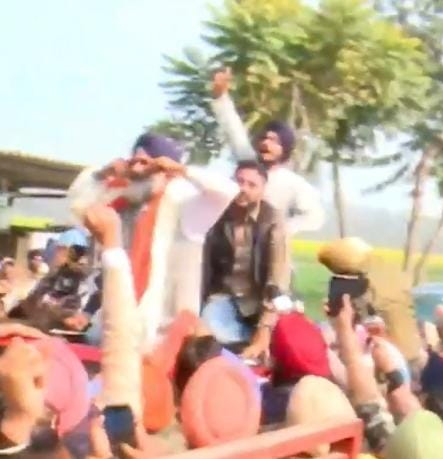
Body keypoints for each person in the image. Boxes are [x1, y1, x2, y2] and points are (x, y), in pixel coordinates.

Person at [68, 133, 239, 351]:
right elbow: (78, 207)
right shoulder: (124, 204)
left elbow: (228, 191)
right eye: (133, 161)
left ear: (165, 167)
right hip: (122, 327)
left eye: (146, 162)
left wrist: (181, 170)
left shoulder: (186, 205)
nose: (137, 169)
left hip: (166, 336)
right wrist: (103, 173)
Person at [211, 68, 325, 236]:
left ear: (285, 148)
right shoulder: (247, 162)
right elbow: (233, 128)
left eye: (274, 141)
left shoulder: (293, 184)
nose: (266, 143)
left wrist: (281, 229)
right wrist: (220, 96)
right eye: (264, 138)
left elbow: (314, 217)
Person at [201, 160, 287, 359]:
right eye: (239, 182)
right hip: (224, 297)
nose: (243, 189)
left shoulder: (273, 221)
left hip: (259, 301)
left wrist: (265, 327)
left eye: (251, 185)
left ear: (263, 190)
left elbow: (277, 279)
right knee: (209, 335)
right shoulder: (217, 215)